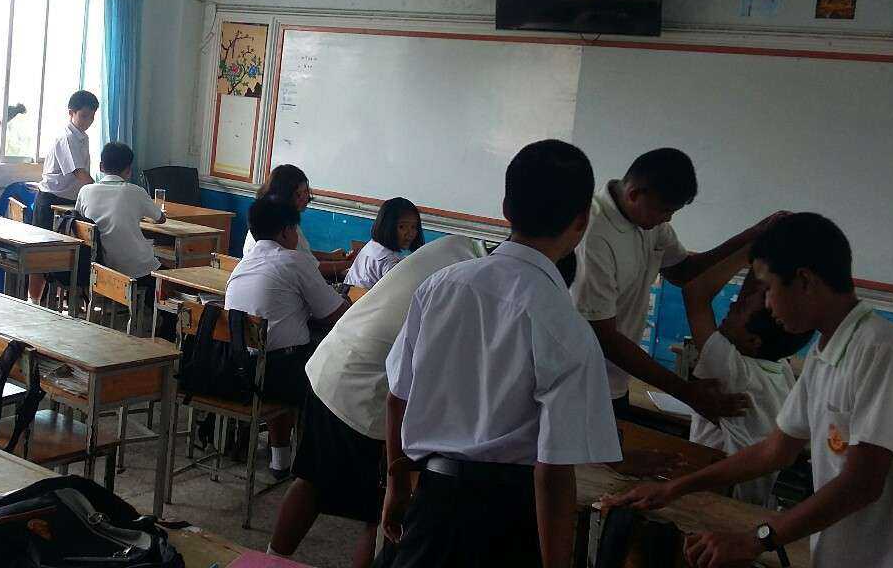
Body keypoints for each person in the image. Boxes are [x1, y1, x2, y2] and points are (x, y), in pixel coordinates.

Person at [606, 213, 893, 568]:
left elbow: (863, 483)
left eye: (769, 288)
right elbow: (774, 451)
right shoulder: (824, 354)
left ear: (804, 281)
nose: (768, 305)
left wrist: (756, 539)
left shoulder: (880, 349)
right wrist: (673, 488)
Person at [381, 139, 621, 567]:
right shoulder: (569, 330)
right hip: (508, 520)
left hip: (433, 505)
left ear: (506, 207)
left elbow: (397, 396)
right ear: (582, 221)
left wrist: (397, 486)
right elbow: (553, 470)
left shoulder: (441, 287)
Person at [267, 233, 483, 566]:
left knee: (312, 480)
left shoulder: (456, 245)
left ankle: (269, 560)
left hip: (332, 363)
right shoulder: (478, 286)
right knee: (383, 507)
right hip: (367, 384)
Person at [572, 147, 781, 423]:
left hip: (614, 381)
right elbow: (603, 336)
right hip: (582, 385)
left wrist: (752, 236)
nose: (668, 219)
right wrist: (686, 391)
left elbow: (684, 272)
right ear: (634, 194)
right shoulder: (595, 235)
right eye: (665, 210)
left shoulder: (649, 223)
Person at [225, 198, 349, 479]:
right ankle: (316, 465)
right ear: (285, 232)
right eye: (295, 230)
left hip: (238, 367)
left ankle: (280, 459)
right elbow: (334, 314)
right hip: (277, 375)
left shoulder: (244, 263)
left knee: (287, 350)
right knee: (331, 371)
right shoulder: (294, 260)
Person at [683, 245, 810, 506]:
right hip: (753, 500)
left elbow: (695, 293)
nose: (731, 306)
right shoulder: (781, 369)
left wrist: (751, 247)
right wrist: (767, 254)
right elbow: (754, 295)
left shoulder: (734, 370)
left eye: (740, 308)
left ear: (753, 340)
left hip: (715, 497)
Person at [29, 90, 98, 302]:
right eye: (84, 115)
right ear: (71, 113)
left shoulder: (82, 137)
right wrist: (102, 191)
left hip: (69, 203)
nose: (88, 121)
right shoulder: (67, 138)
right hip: (51, 201)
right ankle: (34, 301)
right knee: (41, 256)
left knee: (65, 256)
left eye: (92, 116)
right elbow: (79, 173)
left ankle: (58, 303)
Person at [74, 142, 166, 285]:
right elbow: (161, 218)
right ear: (128, 170)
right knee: (167, 274)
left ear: (101, 166)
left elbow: (79, 218)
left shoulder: (85, 191)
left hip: (97, 266)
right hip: (133, 269)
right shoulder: (136, 192)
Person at [241, 165, 352, 279]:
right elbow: (312, 269)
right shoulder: (282, 226)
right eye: (298, 194)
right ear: (284, 195)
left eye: (306, 192)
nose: (305, 198)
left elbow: (302, 254)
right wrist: (352, 264)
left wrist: (330, 256)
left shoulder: (272, 218)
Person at [344, 197, 424, 289]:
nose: (410, 233)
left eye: (413, 227)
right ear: (387, 226)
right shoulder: (390, 262)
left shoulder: (372, 245)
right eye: (402, 227)